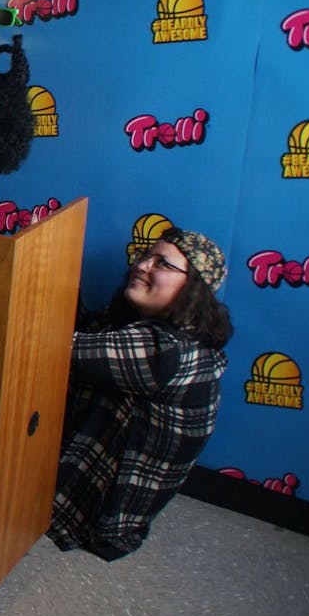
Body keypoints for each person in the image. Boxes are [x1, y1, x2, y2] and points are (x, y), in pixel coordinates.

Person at [49, 228, 233, 561]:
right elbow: (82, 328)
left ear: (194, 289)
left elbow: (59, 346)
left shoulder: (168, 352)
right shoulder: (148, 325)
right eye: (146, 256)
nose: (143, 266)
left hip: (94, 521)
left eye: (162, 263)